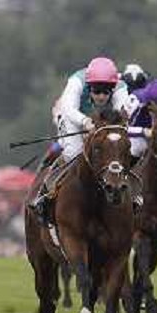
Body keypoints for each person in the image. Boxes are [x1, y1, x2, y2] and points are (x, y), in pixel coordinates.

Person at [28, 57, 135, 224]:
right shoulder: (76, 82)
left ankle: (131, 194)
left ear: (113, 87)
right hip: (71, 115)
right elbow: (69, 109)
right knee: (73, 152)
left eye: (106, 91)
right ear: (88, 86)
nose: (101, 96)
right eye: (97, 90)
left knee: (118, 148)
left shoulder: (121, 88)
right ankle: (46, 195)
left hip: (101, 121)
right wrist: (85, 122)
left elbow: (122, 115)